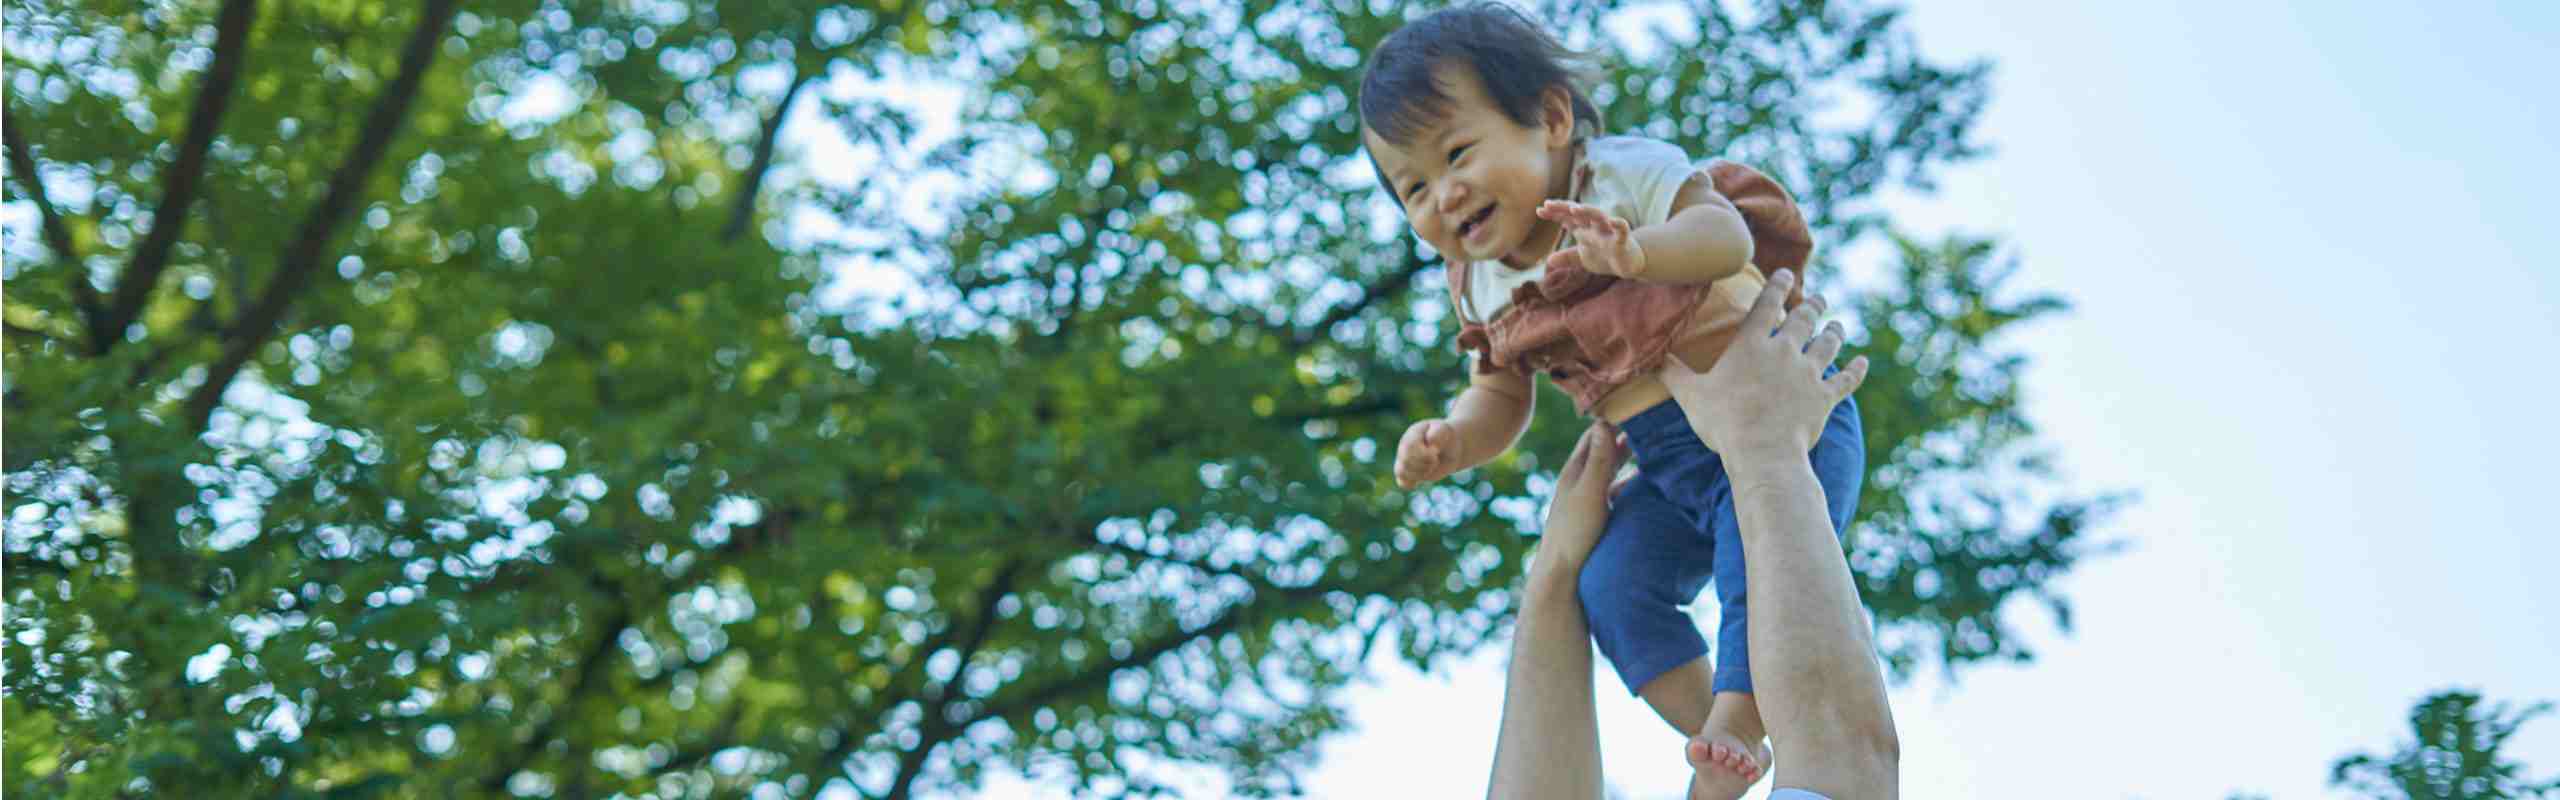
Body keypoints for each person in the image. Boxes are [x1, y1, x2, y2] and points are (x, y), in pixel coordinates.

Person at [1356, 5, 1864, 795]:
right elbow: (1498, 393)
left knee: (1750, 567)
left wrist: (1638, 253)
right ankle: (1719, 735)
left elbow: (1725, 237)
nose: (1443, 196)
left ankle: (1741, 713)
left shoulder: (1623, 173)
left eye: (1458, 154)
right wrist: (1455, 440)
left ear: (1553, 119)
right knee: (1610, 586)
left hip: (1778, 428)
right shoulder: (1480, 284)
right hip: (1667, 470)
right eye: (1412, 188)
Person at [1487, 269, 1897, 800]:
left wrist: (1559, 562)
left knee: (1604, 581)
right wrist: (1767, 448)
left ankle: (1733, 720)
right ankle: (1734, 719)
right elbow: (1843, 749)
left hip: (1676, 454)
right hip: (1767, 428)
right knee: (1625, 589)